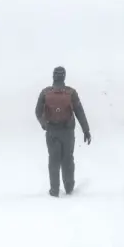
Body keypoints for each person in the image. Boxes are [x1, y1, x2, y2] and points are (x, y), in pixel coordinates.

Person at [35, 66, 91, 197]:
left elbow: (37, 112)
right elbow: (79, 112)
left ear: (53, 77)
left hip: (52, 131)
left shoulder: (45, 92)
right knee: (67, 159)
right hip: (67, 131)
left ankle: (54, 190)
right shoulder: (71, 92)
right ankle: (69, 187)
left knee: (53, 160)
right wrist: (86, 130)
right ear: (64, 77)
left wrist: (45, 125)